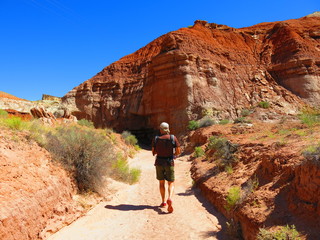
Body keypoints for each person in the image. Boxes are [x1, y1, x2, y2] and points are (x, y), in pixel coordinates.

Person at [152, 122, 181, 213]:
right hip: (169, 162)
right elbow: (178, 151)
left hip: (159, 162)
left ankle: (164, 202)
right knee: (171, 183)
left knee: (161, 183)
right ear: (168, 129)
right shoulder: (173, 138)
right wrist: (173, 155)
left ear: (161, 129)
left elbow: (153, 152)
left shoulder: (156, 139)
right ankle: (170, 198)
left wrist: (159, 151)